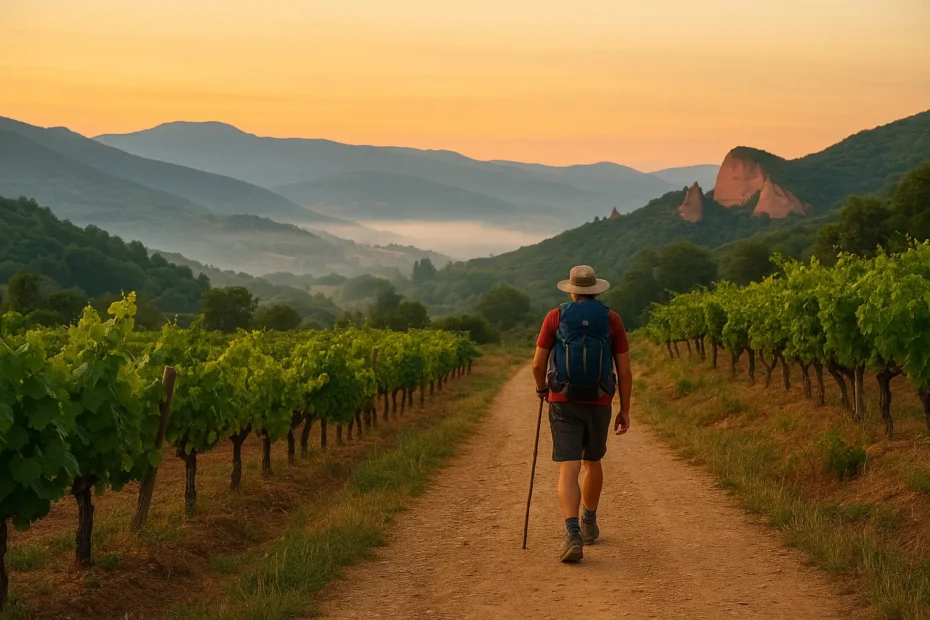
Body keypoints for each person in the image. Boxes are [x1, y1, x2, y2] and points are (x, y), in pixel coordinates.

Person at [531, 264, 632, 563]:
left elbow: (538, 365)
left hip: (564, 399)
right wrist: (624, 409)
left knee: (568, 468)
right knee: (593, 461)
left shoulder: (555, 316)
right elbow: (624, 371)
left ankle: (572, 532)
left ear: (572, 291)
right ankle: (589, 521)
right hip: (599, 399)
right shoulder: (612, 319)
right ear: (597, 290)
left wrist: (542, 390)